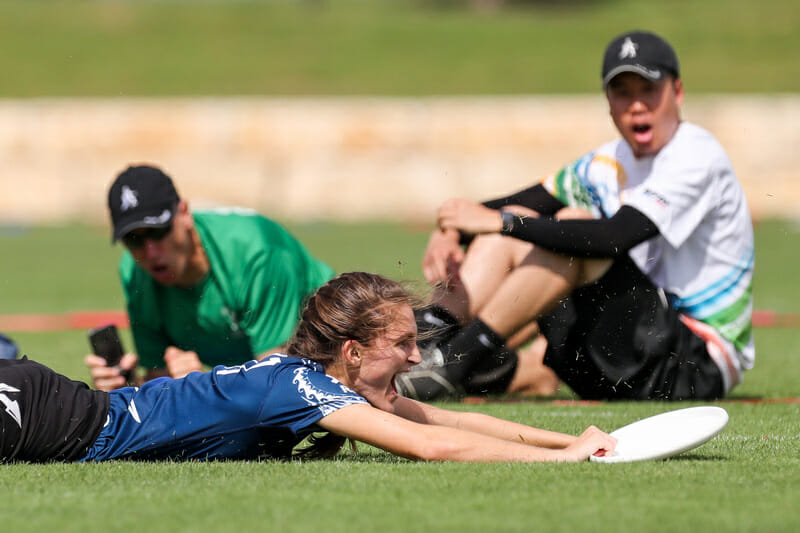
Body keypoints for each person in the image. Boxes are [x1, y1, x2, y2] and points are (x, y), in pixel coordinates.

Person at [397, 30, 754, 402]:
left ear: (677, 92)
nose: (636, 105)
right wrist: (450, 228)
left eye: (648, 89)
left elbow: (615, 236)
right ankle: (421, 344)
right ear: (608, 101)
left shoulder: (696, 154)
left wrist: (503, 223)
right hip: (627, 356)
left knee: (566, 225)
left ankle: (452, 364)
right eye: (622, 92)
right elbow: (515, 205)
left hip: (691, 368)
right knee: (525, 219)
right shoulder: (608, 161)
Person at [0, 272, 616, 463]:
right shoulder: (303, 388)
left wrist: (575, 441)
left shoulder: (305, 376)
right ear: (351, 352)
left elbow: (440, 421)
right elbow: (431, 448)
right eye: (401, 343)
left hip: (57, 406)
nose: (412, 356)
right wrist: (559, 461)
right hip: (61, 422)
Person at [85, 165, 334, 391]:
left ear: (184, 214)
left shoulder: (257, 253)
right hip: (255, 371)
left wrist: (204, 385)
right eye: (134, 239)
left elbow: (280, 387)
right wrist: (125, 387)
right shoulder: (134, 272)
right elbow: (159, 385)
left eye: (158, 231)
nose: (150, 252)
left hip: (332, 348)